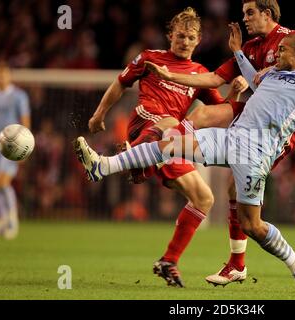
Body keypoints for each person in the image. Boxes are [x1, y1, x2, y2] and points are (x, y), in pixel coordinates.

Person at [74, 11, 295, 295]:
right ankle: (103, 166)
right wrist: (239, 53)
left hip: (255, 154)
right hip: (230, 138)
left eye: (284, 51)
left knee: (252, 224)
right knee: (171, 142)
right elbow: (252, 78)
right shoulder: (273, 75)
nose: (277, 54)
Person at [142, 0, 295, 287]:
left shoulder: (288, 42)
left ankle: (259, 262)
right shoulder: (248, 48)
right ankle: (237, 264)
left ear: (267, 14)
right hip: (249, 118)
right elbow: (212, 78)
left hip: (272, 133)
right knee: (208, 126)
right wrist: (169, 74)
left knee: (246, 211)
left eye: (250, 13)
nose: (244, 19)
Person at [85, 7, 247, 287]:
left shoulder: (199, 74)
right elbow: (120, 83)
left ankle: (169, 260)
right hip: (146, 123)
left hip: (170, 143)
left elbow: (219, 112)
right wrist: (100, 114)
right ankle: (135, 159)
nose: (185, 41)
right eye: (180, 36)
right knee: (173, 122)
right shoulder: (150, 58)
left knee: (204, 198)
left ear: (198, 41)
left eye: (191, 37)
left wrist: (234, 92)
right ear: (170, 36)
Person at [0, 61, 31, 240]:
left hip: (11, 143)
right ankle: (0, 222)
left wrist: (26, 148)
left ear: (9, 75)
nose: (0, 76)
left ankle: (11, 220)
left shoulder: (19, 96)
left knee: (2, 181)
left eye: (3, 73)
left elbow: (25, 120)